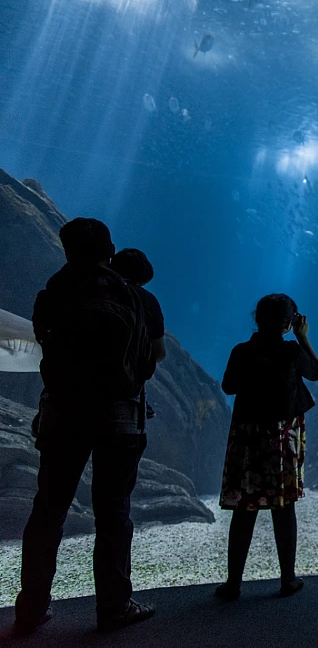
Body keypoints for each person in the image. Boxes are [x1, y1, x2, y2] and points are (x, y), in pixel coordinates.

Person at [14, 219, 160, 635]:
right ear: (110, 249)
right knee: (114, 513)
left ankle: (31, 609)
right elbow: (145, 363)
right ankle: (114, 606)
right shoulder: (130, 295)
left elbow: (45, 348)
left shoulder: (53, 292)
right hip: (118, 418)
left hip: (63, 414)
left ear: (65, 249)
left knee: (48, 511)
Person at [215, 294, 318, 600]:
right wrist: (303, 338)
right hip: (280, 438)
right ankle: (287, 579)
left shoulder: (241, 351)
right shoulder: (291, 351)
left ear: (257, 318)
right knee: (283, 507)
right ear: (291, 323)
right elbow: (315, 371)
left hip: (248, 438)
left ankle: (233, 583)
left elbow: (229, 387)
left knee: (244, 510)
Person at [110, 248, 167, 421]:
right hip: (123, 394)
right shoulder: (148, 301)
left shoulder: (86, 286)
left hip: (76, 385)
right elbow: (159, 354)